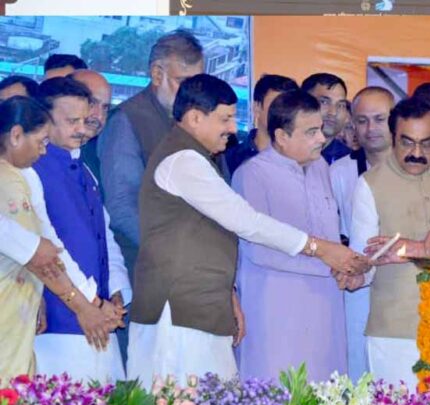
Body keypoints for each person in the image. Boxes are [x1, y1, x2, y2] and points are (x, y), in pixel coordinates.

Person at [127, 75, 369, 388]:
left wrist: (229, 296)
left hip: (203, 307)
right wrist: (321, 249)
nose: (232, 128)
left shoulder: (201, 158)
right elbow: (247, 222)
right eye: (225, 119)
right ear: (195, 118)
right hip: (177, 312)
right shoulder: (183, 160)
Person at [345, 96, 430, 386]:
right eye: (406, 143)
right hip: (394, 332)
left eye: (426, 144)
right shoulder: (369, 184)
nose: (416, 153)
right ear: (393, 138)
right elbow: (364, 258)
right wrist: (356, 274)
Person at [0, 96, 122, 379]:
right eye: (41, 141)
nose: (43, 150)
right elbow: (41, 256)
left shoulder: (19, 175)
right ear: (16, 136)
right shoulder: (9, 180)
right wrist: (84, 306)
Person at [233, 90, 346, 381]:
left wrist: (346, 266)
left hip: (325, 306)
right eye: (310, 132)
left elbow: (330, 234)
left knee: (326, 392)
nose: (321, 138)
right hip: (275, 309)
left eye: (320, 129)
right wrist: (330, 261)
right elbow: (258, 251)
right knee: (276, 391)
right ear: (282, 137)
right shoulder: (252, 174)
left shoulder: (321, 167)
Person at [32, 77, 131, 382]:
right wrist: (91, 302)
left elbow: (106, 236)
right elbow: (51, 247)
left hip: (101, 312)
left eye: (83, 120)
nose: (81, 128)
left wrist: (116, 292)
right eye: (71, 121)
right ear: (44, 120)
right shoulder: (33, 171)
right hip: (61, 319)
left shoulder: (85, 170)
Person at [98, 29, 204, 282]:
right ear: (157, 74)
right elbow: (122, 207)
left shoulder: (195, 119)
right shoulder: (127, 120)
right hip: (146, 269)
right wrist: (172, 254)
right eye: (183, 82)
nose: (192, 93)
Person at [329, 86, 395, 382]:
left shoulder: (418, 168)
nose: (371, 129)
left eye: (380, 119)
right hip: (358, 288)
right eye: (362, 120)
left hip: (402, 285)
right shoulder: (339, 172)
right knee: (358, 368)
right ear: (352, 124)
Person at [223, 74, 298, 177]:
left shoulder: (303, 158)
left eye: (290, 107)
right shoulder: (229, 160)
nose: (283, 113)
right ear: (256, 108)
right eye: (276, 106)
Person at [301, 73, 352, 164]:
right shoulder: (283, 150)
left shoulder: (351, 162)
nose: (333, 112)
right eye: (324, 102)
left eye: (340, 105)